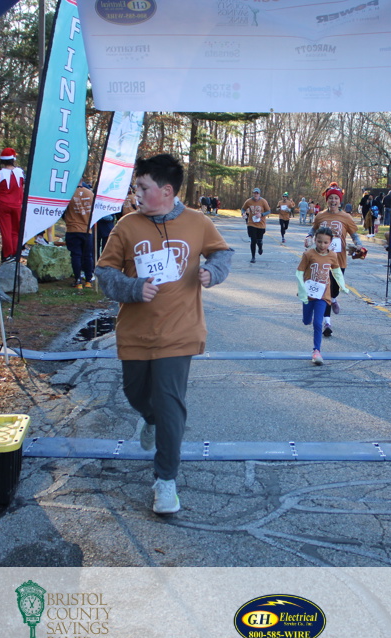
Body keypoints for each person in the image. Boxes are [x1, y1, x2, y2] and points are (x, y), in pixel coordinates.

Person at [95, 153, 234, 515]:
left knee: (171, 404)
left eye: (143, 187)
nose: (136, 193)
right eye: (136, 187)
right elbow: (104, 274)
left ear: (167, 191)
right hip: (136, 332)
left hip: (180, 331)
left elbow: (222, 254)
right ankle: (150, 417)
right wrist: (133, 288)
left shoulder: (198, 222)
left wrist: (213, 272)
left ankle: (166, 480)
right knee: (136, 393)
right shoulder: (126, 226)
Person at [306, 185, 363, 337]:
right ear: (327, 200)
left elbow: (354, 234)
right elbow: (313, 229)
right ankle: (327, 323)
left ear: (340, 201)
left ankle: (334, 298)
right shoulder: (320, 216)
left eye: (336, 198)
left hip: (339, 260)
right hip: (322, 259)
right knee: (325, 290)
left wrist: (359, 245)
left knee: (335, 289)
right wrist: (308, 237)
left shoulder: (346, 217)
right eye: (331, 198)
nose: (333, 200)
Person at [296, 226, 349, 366]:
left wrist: (342, 286)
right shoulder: (308, 254)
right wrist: (301, 288)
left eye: (326, 242)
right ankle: (310, 318)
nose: (322, 245)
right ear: (315, 240)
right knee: (306, 321)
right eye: (319, 241)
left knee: (318, 323)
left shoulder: (333, 255)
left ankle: (316, 351)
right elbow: (299, 272)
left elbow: (337, 272)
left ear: (330, 242)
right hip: (308, 293)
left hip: (323, 294)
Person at [61, 179, 96, 288]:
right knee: (88, 256)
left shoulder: (68, 193)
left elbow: (62, 211)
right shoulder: (90, 193)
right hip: (87, 229)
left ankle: (78, 281)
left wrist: (67, 220)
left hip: (72, 229)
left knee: (76, 255)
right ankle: (88, 280)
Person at [0, 147, 25, 263]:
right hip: (17, 204)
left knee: (6, 231)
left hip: (3, 204)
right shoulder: (20, 172)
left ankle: (7, 254)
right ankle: (16, 253)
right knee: (15, 230)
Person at [242, 187, 272, 263]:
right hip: (251, 224)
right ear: (253, 193)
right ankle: (253, 257)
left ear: (259, 194)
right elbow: (243, 209)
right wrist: (243, 213)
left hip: (261, 224)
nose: (256, 195)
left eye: (257, 193)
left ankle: (260, 247)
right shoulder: (248, 201)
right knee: (253, 240)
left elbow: (268, 211)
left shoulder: (263, 201)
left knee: (259, 240)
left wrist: (261, 214)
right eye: (254, 193)